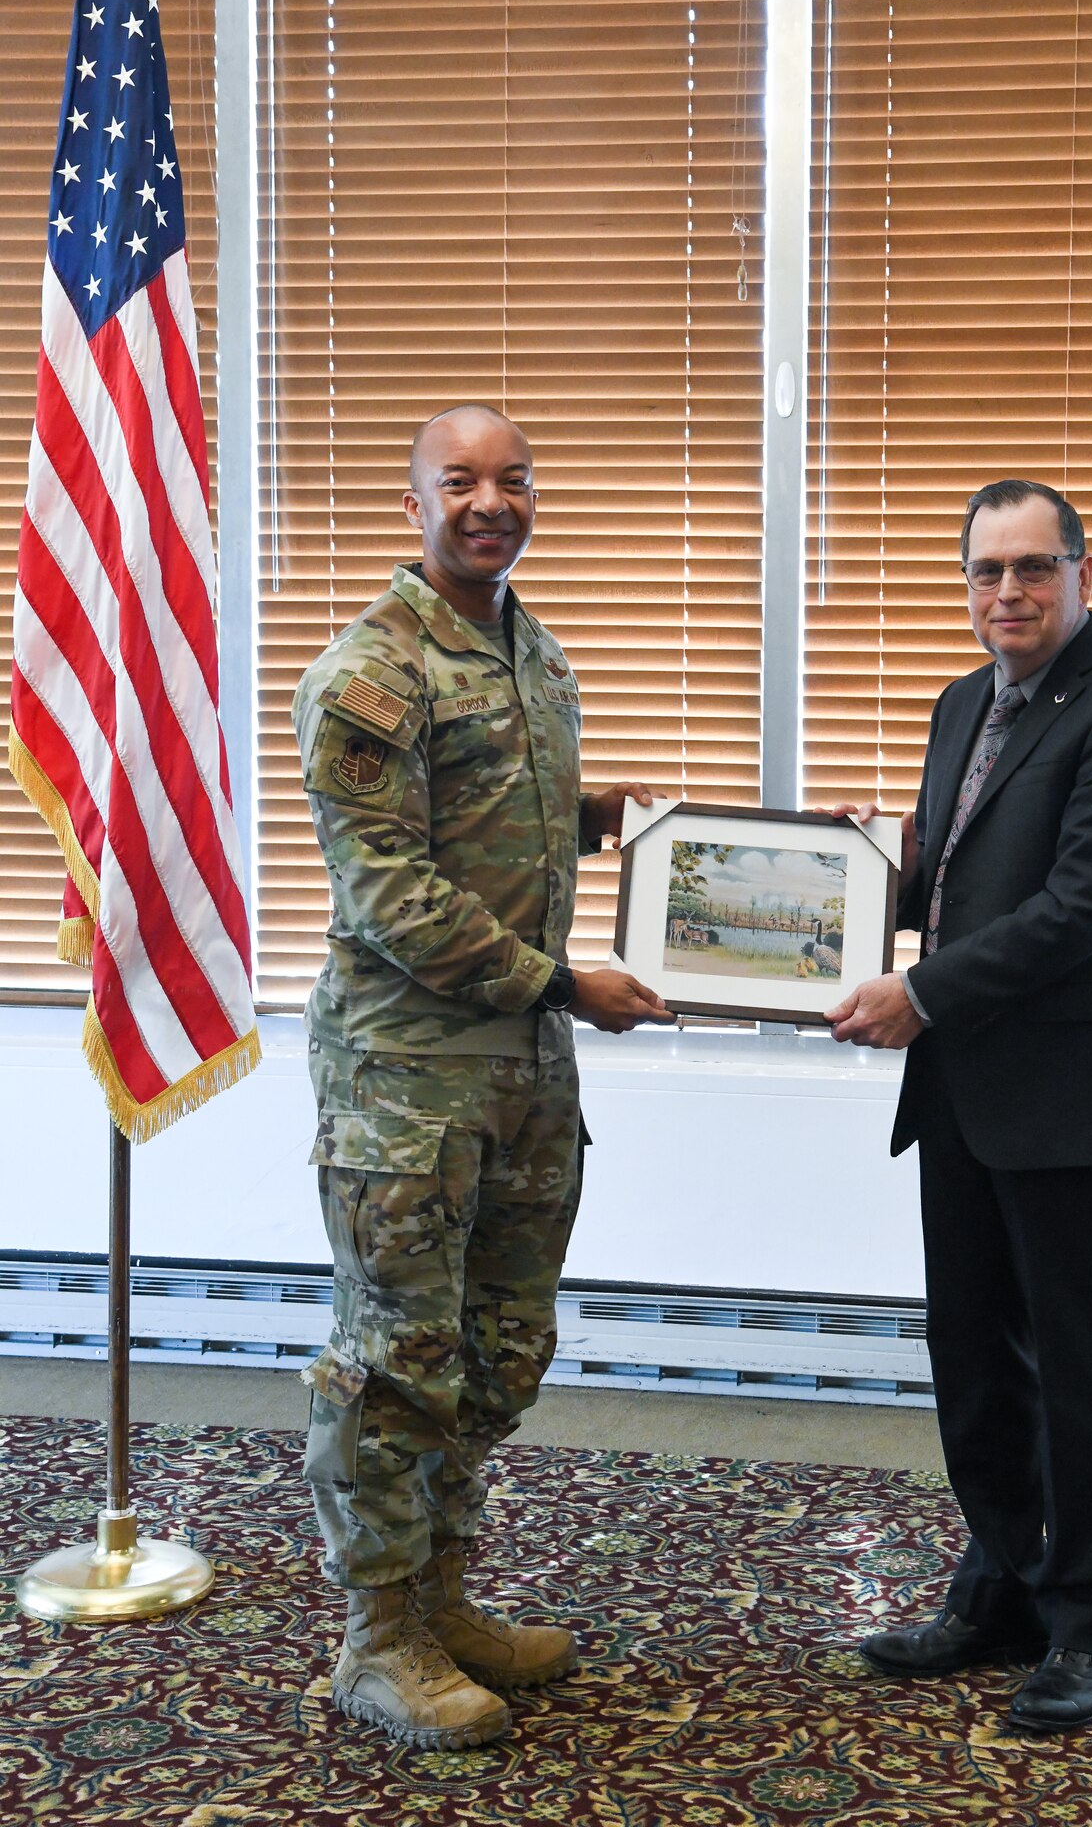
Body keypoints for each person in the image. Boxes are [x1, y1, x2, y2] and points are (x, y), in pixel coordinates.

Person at [293, 402, 670, 1751]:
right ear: (414, 500)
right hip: (408, 1081)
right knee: (396, 1360)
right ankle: (376, 1636)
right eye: (459, 480)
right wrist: (566, 981)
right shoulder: (368, 673)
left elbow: (487, 809)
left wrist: (631, 829)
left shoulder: (531, 652)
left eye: (511, 480)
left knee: (497, 1351)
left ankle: (445, 1598)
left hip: (521, 1076)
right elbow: (387, 884)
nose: (488, 501)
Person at [826, 478, 1092, 1735]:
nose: (1009, 594)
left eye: (1034, 568)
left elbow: (1081, 907)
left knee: (1080, 1365)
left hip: (1068, 1086)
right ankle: (999, 1585)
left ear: (1083, 573)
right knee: (975, 1356)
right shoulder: (961, 700)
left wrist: (919, 992)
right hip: (964, 1091)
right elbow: (955, 872)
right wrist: (857, 872)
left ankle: (1090, 1621)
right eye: (986, 572)